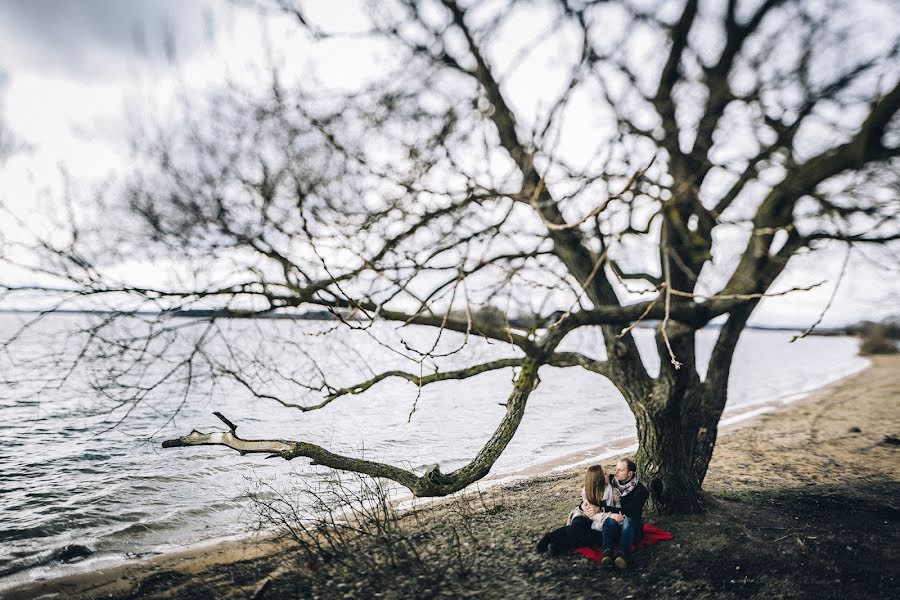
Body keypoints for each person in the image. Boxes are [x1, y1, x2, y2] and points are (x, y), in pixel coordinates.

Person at [536, 464, 613, 556]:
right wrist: (583, 507)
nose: (608, 474)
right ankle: (549, 537)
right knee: (577, 527)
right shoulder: (587, 490)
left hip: (600, 518)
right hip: (584, 514)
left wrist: (599, 509)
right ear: (598, 478)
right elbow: (583, 503)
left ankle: (558, 545)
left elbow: (612, 507)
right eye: (605, 473)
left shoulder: (612, 486)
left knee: (591, 537)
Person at [596, 458, 648, 569]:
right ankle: (607, 554)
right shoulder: (610, 480)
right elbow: (592, 488)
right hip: (613, 524)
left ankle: (623, 556)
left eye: (620, 470)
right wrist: (585, 505)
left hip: (632, 525)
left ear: (630, 473)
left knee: (627, 520)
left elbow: (630, 512)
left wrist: (605, 508)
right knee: (610, 520)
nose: (616, 472)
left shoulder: (641, 491)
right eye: (616, 469)